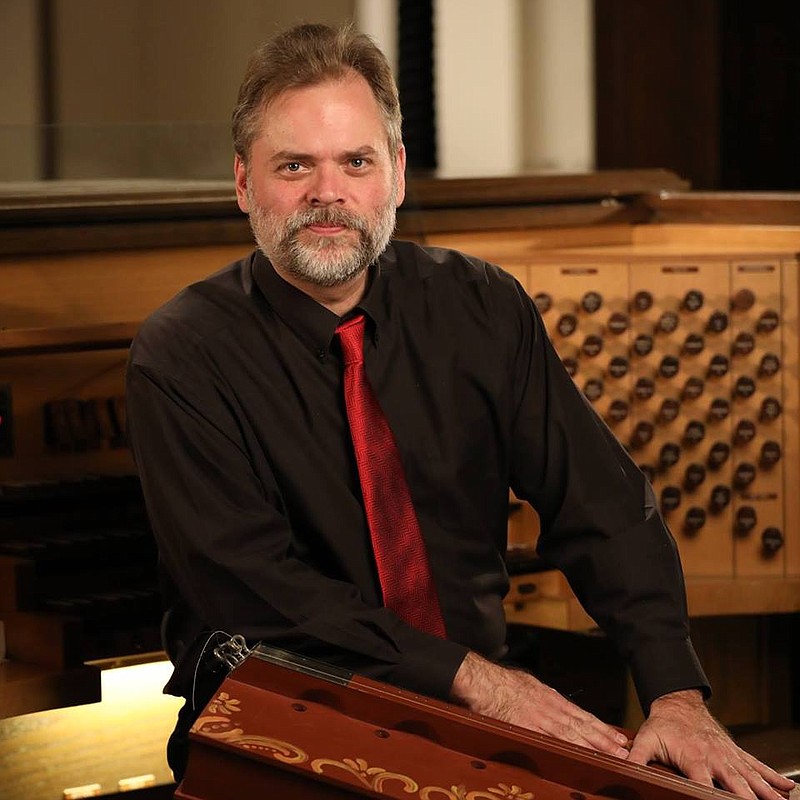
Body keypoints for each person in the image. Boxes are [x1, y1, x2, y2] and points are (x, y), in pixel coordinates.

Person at [126, 22, 794, 799]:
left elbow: (602, 504)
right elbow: (259, 594)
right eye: (294, 166)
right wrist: (477, 681)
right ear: (244, 183)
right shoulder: (182, 354)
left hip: (478, 713)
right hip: (280, 712)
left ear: (398, 175)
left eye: (356, 162)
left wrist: (676, 693)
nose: (327, 194)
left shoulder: (481, 306)